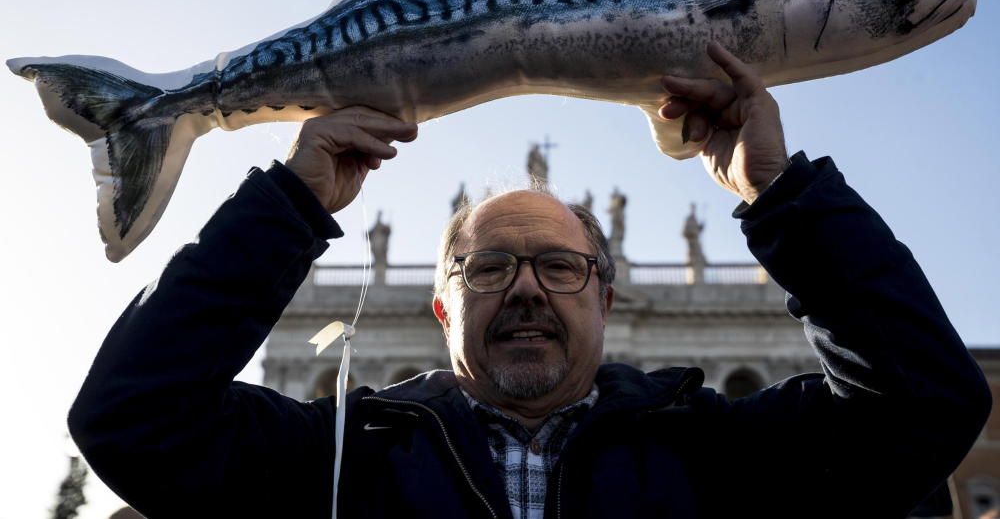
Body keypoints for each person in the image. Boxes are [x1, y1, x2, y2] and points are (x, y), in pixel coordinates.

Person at [67, 43, 991, 518]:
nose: (526, 289)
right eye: (490, 266)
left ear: (607, 296)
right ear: (440, 306)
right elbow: (131, 416)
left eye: (558, 265)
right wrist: (288, 208)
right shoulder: (341, 464)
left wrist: (780, 196)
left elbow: (926, 404)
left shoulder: (721, 455)